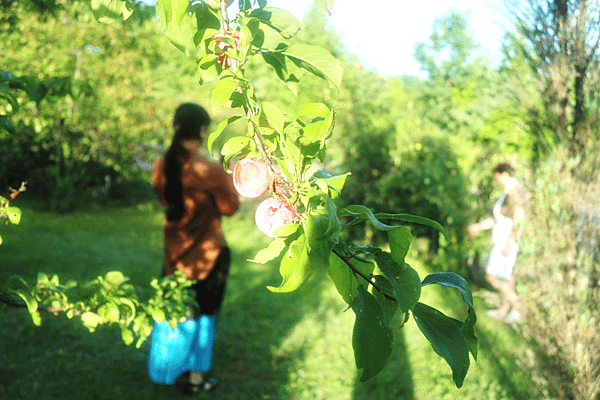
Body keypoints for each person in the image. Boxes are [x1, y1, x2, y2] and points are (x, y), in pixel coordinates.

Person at [150, 103, 240, 394]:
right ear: (202, 131)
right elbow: (231, 208)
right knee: (205, 317)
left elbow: (167, 201)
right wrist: (226, 173)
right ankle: (196, 380)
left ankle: (169, 367)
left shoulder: (161, 166)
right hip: (210, 256)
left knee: (177, 312)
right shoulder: (209, 170)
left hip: (175, 255)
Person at [468, 163, 527, 323]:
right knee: (508, 277)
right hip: (503, 238)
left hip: (507, 240)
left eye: (497, 176)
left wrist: (510, 242)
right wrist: (479, 227)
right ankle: (505, 311)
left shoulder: (516, 191)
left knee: (491, 276)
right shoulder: (507, 192)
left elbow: (519, 218)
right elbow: (496, 219)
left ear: (505, 173)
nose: (496, 180)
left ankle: (518, 307)